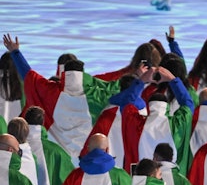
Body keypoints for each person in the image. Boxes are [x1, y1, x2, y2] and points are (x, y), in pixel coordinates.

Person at [3, 34, 120, 164]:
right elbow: (121, 86)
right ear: (83, 75)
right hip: (87, 159)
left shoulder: (51, 92)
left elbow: (29, 76)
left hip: (57, 158)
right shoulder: (99, 96)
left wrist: (15, 52)